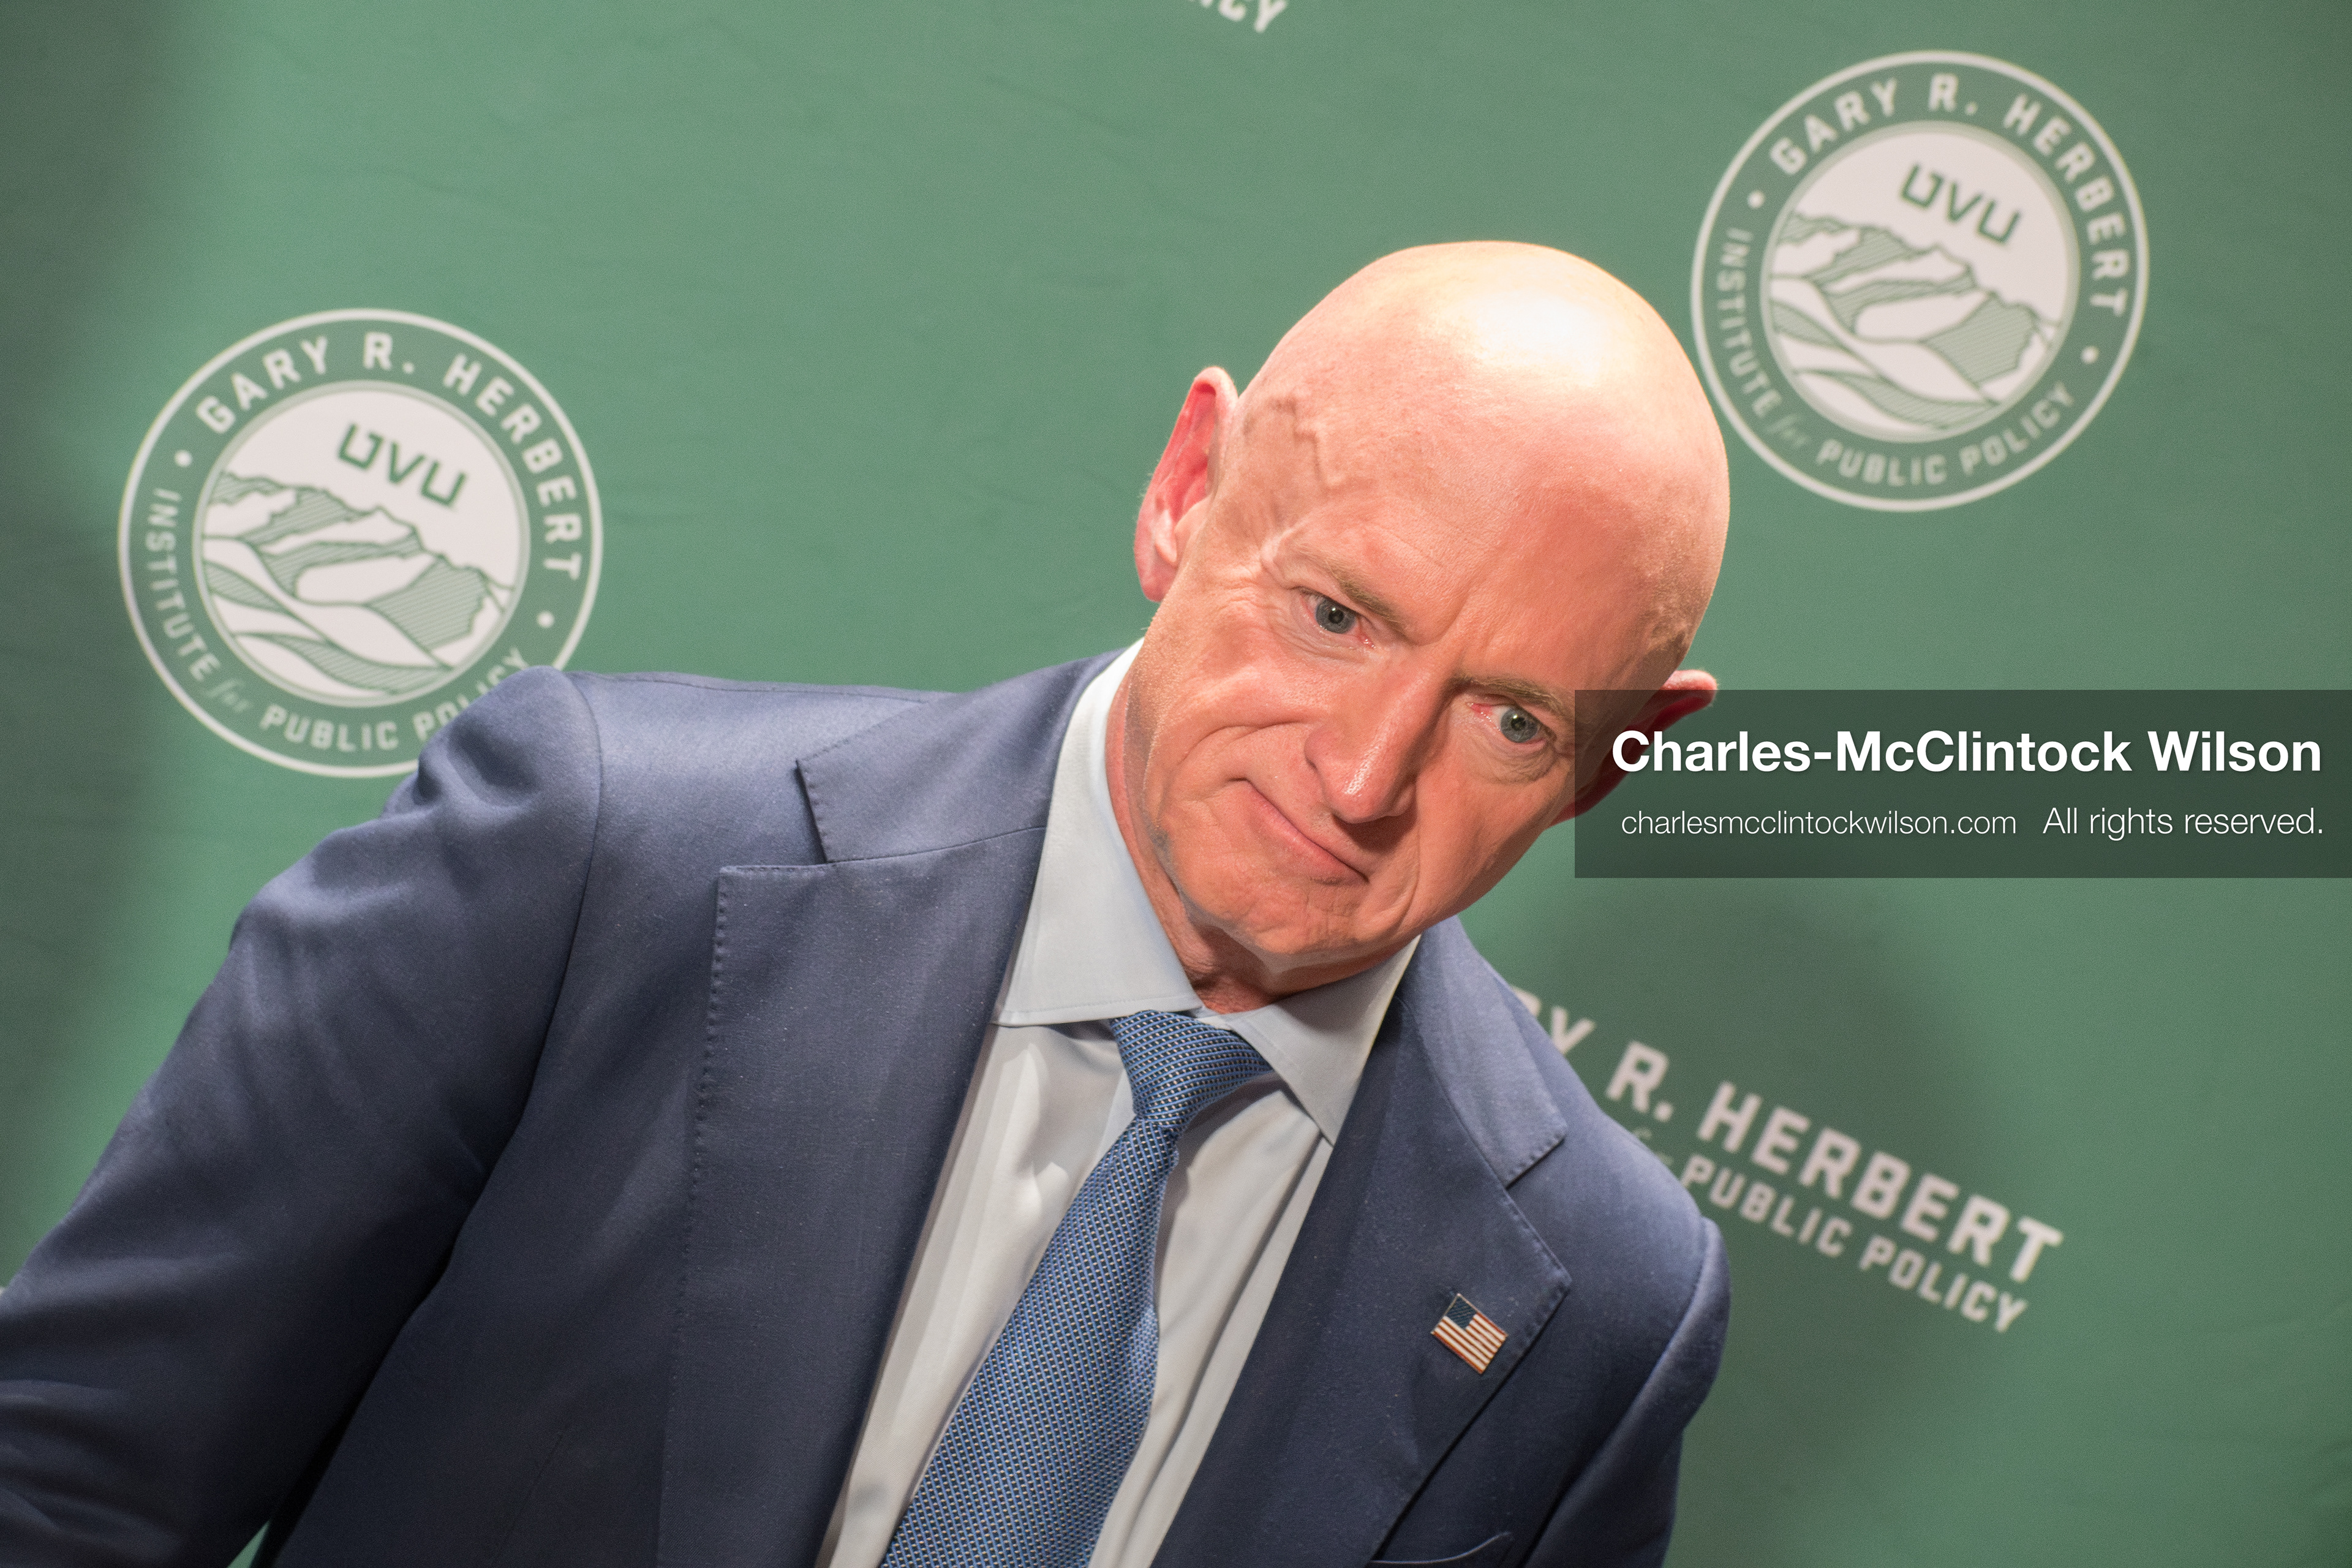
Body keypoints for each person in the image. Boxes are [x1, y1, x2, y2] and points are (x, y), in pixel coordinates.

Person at [0, 241, 1732, 1568]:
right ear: (1187, 491)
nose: (1361, 778)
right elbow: (65, 1484)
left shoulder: (1603, 1306)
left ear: (1621, 755)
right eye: (1336, 616)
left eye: (1509, 718)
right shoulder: (590, 862)